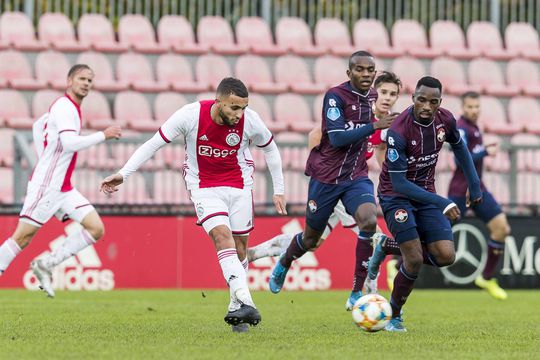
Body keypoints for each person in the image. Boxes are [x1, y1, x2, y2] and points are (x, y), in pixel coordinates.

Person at [100, 78, 286, 332]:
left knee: (240, 248)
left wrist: (279, 189)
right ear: (218, 101)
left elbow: (271, 150)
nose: (239, 114)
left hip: (240, 186)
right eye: (233, 108)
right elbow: (153, 143)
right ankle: (246, 301)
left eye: (243, 108)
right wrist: (124, 173)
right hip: (204, 187)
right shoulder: (190, 115)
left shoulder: (250, 119)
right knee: (223, 237)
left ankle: (236, 307)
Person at [247, 71, 402, 307]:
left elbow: (379, 149)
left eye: (393, 94)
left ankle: (256, 254)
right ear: (373, 92)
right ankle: (371, 296)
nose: (387, 98)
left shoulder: (386, 123)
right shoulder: (358, 112)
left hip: (351, 183)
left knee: (313, 241)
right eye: (383, 92)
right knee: (374, 236)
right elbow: (316, 135)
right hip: (330, 183)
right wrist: (322, 172)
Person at [369, 76, 483, 332]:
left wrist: (473, 183)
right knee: (414, 259)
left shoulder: (446, 120)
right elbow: (400, 185)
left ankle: (385, 245)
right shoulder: (398, 131)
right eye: (421, 99)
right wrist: (442, 201)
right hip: (395, 196)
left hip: (426, 194)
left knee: (445, 256)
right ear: (413, 98)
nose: (426, 106)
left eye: (433, 101)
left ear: (439, 102)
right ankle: (394, 315)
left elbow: (460, 147)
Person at [0, 64, 122, 298]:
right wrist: (102, 135)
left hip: (64, 188)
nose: (86, 83)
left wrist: (43, 157)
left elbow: (38, 127)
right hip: (47, 187)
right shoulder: (65, 106)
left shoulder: (69, 108)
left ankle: (46, 264)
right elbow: (69, 143)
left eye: (90, 80)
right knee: (21, 238)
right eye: (82, 79)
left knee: (96, 228)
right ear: (69, 81)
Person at [448, 91, 510, 300]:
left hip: (478, 189)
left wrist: (484, 149)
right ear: (463, 107)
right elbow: (459, 160)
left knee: (501, 228)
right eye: (470, 107)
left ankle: (486, 277)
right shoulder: (461, 128)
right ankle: (399, 264)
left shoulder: (474, 128)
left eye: (477, 107)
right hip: (460, 190)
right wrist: (485, 152)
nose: (474, 110)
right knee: (436, 235)